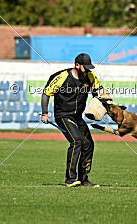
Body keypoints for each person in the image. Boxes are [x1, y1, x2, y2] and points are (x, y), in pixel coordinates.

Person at [41, 53, 105, 187]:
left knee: (88, 144)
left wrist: (104, 102)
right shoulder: (63, 76)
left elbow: (98, 93)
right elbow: (46, 93)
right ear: (77, 65)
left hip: (77, 117)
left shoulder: (90, 77)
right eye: (85, 67)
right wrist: (45, 113)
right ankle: (70, 179)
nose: (87, 70)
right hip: (63, 115)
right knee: (76, 141)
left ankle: (84, 179)